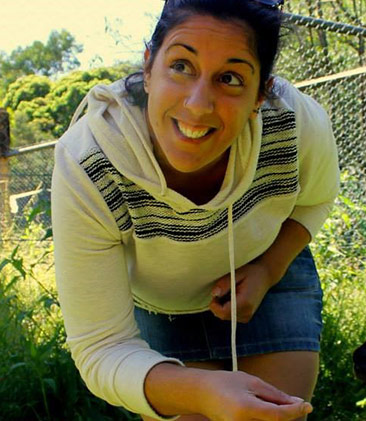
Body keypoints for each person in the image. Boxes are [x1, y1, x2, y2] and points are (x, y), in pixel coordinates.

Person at [51, 0, 340, 419]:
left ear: (262, 93)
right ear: (148, 67)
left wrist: (268, 269)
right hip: (157, 305)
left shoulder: (295, 122)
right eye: (181, 66)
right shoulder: (87, 161)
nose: (198, 104)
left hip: (270, 274)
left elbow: (315, 199)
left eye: (230, 78)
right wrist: (201, 393)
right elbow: (102, 346)